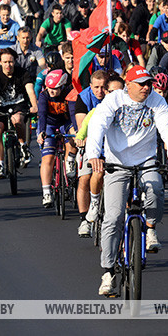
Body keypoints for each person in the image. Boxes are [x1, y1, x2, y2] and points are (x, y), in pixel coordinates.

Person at [85, 66, 168, 296]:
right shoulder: (114, 101)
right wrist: (94, 155)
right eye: (141, 84)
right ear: (128, 84)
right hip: (116, 162)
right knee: (113, 217)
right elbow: (97, 125)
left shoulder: (157, 101)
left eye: (148, 83)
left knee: (156, 188)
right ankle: (108, 272)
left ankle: (150, 227)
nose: (146, 88)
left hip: (145, 160)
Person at [0, 48, 38, 178]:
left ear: (15, 61)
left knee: (17, 120)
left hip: (18, 104)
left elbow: (30, 91)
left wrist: (34, 106)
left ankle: (23, 146)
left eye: (10, 62)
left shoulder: (23, 73)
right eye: (5, 62)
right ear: (0, 62)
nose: (8, 65)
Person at [73, 70, 109, 237]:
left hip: (109, 144)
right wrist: (83, 139)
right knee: (85, 178)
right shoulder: (83, 97)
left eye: (103, 87)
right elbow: (82, 124)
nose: (100, 91)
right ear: (90, 86)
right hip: (90, 142)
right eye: (96, 87)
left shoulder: (112, 97)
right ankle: (84, 220)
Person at [36, 69, 77, 208]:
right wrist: (41, 132)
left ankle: (70, 160)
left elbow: (72, 113)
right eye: (49, 88)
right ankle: (46, 192)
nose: (51, 91)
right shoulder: (44, 95)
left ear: (62, 86)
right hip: (49, 124)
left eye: (55, 89)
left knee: (73, 137)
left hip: (65, 122)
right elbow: (41, 114)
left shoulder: (68, 93)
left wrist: (77, 133)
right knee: (48, 158)